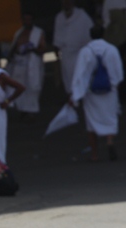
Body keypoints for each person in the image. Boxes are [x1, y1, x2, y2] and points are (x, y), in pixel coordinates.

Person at [70, 26, 124, 162]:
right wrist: (113, 85)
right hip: (109, 92)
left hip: (91, 94)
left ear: (90, 35)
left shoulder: (85, 52)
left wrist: (76, 95)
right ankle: (110, 141)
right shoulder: (111, 49)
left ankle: (94, 154)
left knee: (91, 123)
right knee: (110, 119)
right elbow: (118, 73)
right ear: (104, 34)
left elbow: (79, 75)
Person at [5, 11, 46, 119]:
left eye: (29, 19)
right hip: (20, 64)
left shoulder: (38, 32)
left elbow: (42, 49)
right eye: (25, 19)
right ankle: (23, 110)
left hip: (32, 64)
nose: (27, 21)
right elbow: (14, 47)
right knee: (19, 86)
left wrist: (31, 49)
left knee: (32, 87)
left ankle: (31, 111)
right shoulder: (19, 32)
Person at [53, 0, 94, 95]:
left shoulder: (82, 16)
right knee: (68, 82)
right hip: (66, 55)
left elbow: (90, 35)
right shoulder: (59, 17)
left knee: (81, 80)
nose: (67, 3)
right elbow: (57, 40)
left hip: (80, 54)